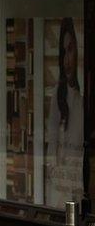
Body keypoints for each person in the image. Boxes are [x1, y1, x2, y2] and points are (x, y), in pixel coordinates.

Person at [44, 17, 84, 207]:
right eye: (63, 52)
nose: (66, 60)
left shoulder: (83, 96)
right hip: (61, 183)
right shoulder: (58, 94)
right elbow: (52, 141)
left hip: (79, 178)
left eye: (70, 50)